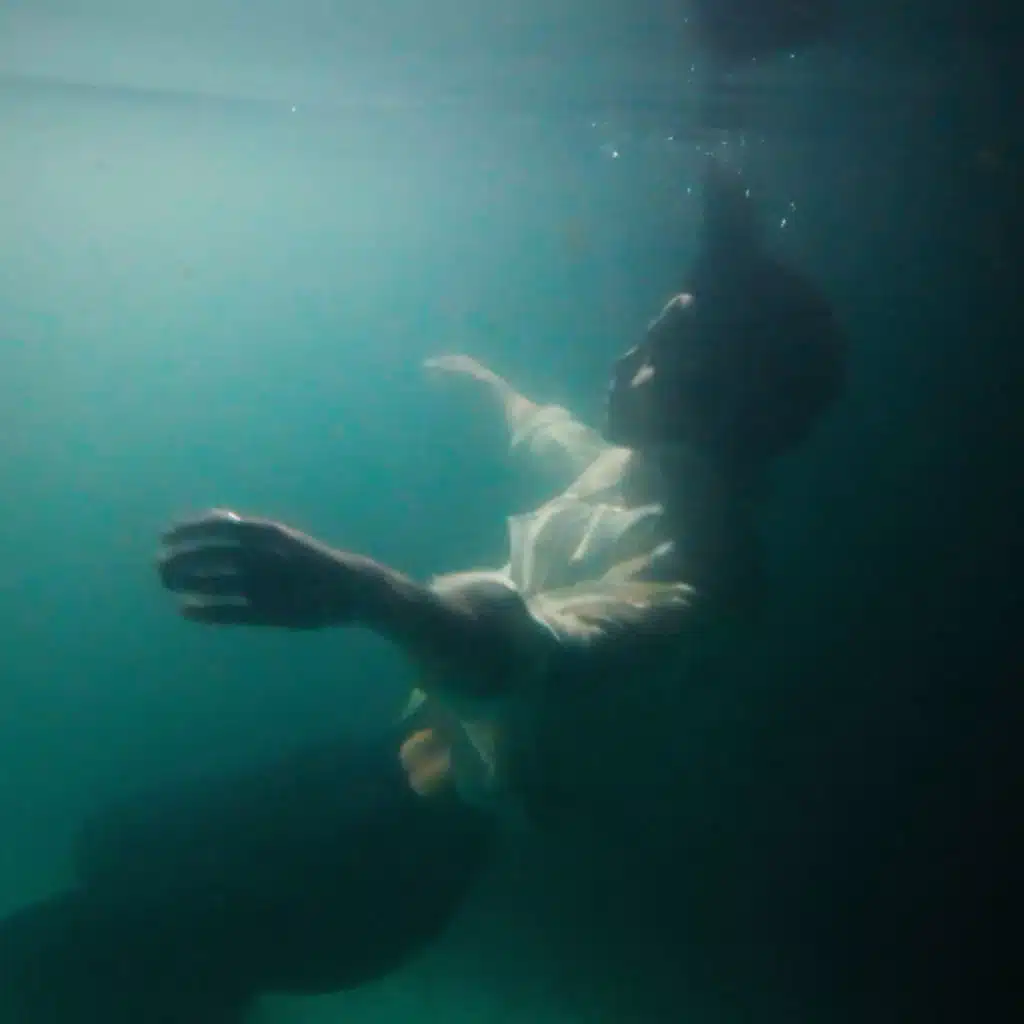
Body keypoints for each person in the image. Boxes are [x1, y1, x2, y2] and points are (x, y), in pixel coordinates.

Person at [0, 155, 844, 1021]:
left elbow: (528, 654)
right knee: (115, 845)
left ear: (722, 399)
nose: (627, 357)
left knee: (88, 948)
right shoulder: (649, 471)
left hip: (395, 857)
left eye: (658, 351)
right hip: (377, 772)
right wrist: (493, 391)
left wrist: (362, 591)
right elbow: (552, 438)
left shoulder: (704, 579)